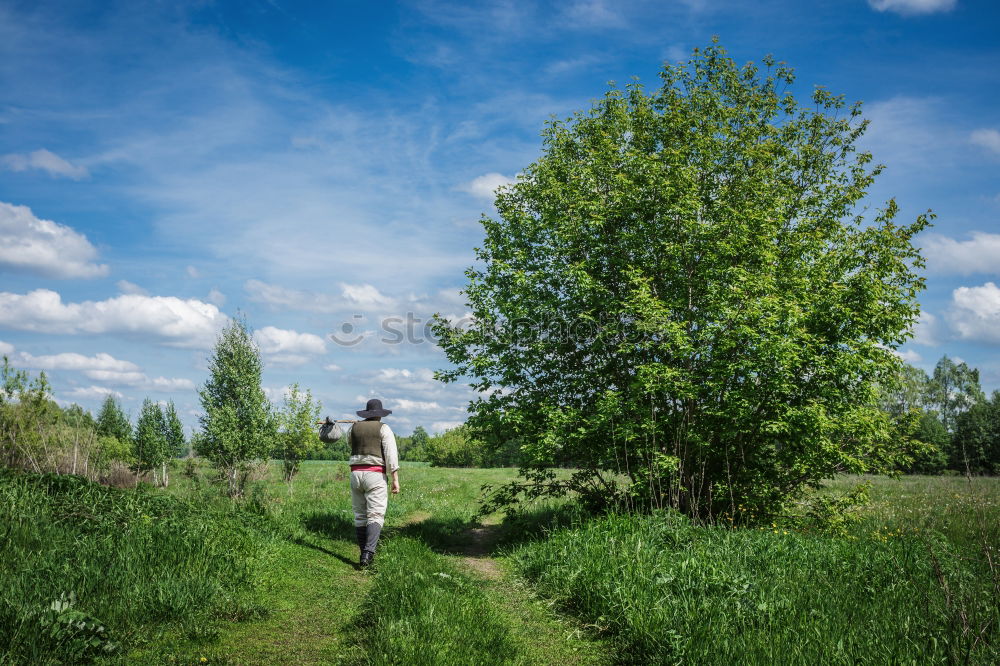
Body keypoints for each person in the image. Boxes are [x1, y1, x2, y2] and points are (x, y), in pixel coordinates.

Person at [322, 398, 400, 567]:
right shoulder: (384, 428)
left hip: (355, 474)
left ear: (366, 413)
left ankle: (363, 552)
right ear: (379, 415)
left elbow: (350, 443)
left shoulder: (354, 428)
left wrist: (358, 427)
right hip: (375, 475)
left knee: (360, 516)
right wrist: (395, 479)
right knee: (376, 514)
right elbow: (391, 455)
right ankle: (368, 554)